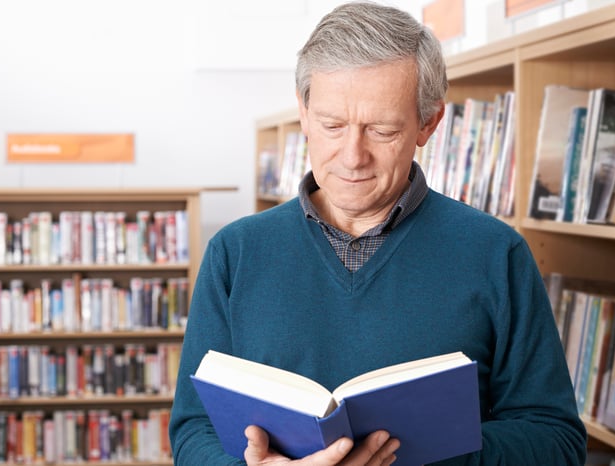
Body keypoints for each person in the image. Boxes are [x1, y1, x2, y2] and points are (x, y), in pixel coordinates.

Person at [169, 1, 587, 465]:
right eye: (332, 125)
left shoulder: (495, 252)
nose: (352, 156)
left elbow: (556, 440)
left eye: (382, 130)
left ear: (428, 123)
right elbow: (193, 430)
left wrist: (417, 456)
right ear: (304, 113)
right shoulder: (236, 253)